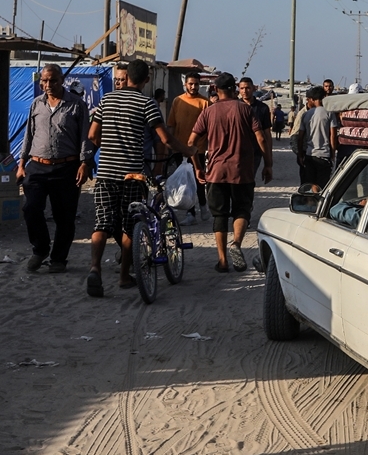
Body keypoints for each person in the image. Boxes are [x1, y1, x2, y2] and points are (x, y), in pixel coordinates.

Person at [86, 60, 195, 298]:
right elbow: (164, 139)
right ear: (146, 80)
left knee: (102, 222)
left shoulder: (107, 99)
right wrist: (187, 151)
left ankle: (95, 269)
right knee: (130, 224)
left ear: (125, 78)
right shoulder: (148, 103)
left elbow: (93, 135)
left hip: (105, 173)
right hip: (132, 175)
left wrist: (110, 148)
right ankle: (125, 276)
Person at [189, 73, 273, 273]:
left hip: (216, 171)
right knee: (242, 210)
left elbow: (191, 142)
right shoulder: (245, 110)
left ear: (216, 90)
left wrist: (198, 167)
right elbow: (261, 138)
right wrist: (268, 164)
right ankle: (236, 243)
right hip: (242, 170)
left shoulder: (209, 112)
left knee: (219, 214)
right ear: (235, 89)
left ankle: (223, 260)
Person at [16, 64, 92, 274]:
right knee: (31, 209)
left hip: (66, 168)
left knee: (64, 217)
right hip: (37, 167)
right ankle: (40, 250)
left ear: (61, 81)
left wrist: (85, 163)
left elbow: (85, 137)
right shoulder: (36, 104)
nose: (48, 85)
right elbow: (28, 135)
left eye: (53, 80)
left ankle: (59, 258)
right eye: (45, 81)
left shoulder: (76, 105)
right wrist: (22, 163)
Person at [166, 71, 210, 225]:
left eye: (196, 84)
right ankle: (190, 213)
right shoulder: (178, 101)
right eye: (190, 84)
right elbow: (171, 124)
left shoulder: (205, 103)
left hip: (198, 149)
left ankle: (203, 205)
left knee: (199, 180)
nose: (193, 87)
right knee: (185, 182)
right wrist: (169, 144)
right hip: (180, 148)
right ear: (185, 84)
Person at [297, 86, 339, 188]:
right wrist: (333, 154)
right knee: (323, 186)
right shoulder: (329, 113)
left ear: (312, 99)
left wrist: (300, 154)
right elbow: (332, 135)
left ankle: (311, 202)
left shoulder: (306, 114)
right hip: (324, 155)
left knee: (310, 185)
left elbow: (300, 136)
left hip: (310, 155)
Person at [238, 77, 272, 178]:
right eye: (242, 88)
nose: (245, 91)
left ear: (253, 88)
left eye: (247, 88)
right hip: (237, 151)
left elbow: (267, 133)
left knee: (249, 179)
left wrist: (269, 158)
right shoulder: (235, 106)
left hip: (255, 152)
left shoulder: (262, 108)